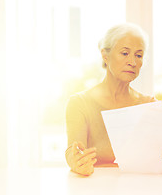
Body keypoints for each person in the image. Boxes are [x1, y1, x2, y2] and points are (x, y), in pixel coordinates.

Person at [65, 23, 155, 176]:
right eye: (125, 53)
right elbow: (72, 151)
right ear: (105, 55)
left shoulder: (149, 105)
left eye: (138, 55)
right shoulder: (79, 103)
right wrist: (76, 162)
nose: (132, 62)